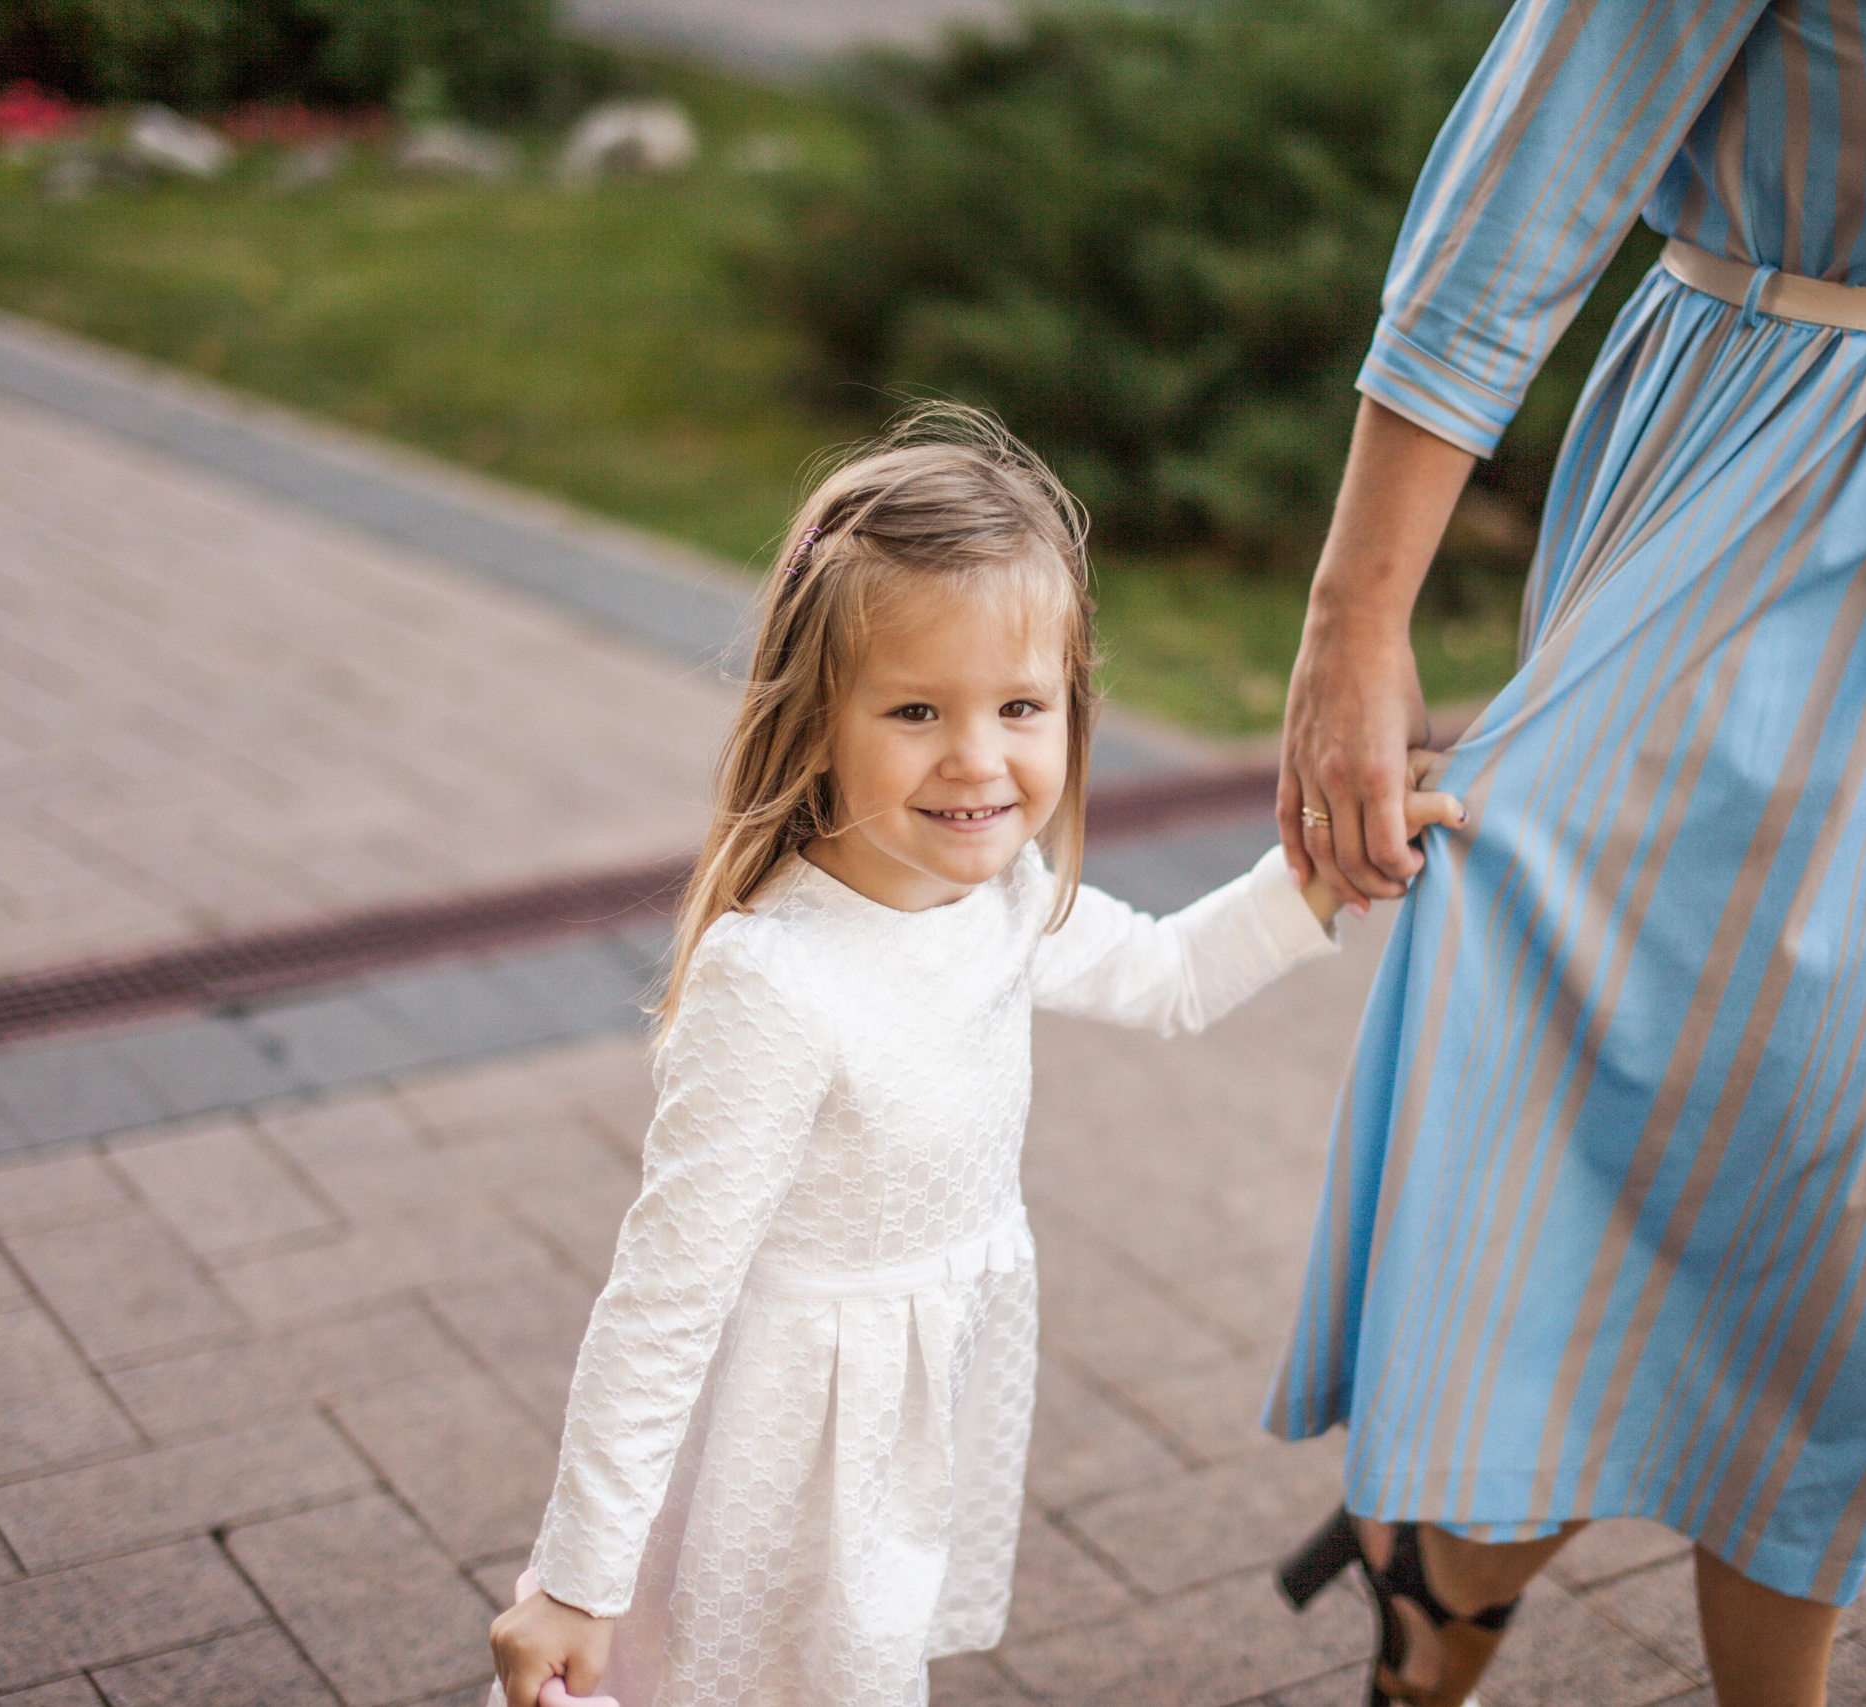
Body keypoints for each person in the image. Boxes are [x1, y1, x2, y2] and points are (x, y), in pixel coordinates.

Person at [1262, 2, 1866, 1705]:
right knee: (1843, 1231)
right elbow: (1525, 187)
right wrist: (1356, 629)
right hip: (1768, 513)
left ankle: (1448, 1574)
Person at [485, 404, 1465, 1707]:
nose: (978, 759)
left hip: (903, 1416)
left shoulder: (999, 902)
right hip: (782, 1455)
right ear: (814, 717)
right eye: (914, 710)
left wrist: (1321, 881)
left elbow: (1169, 977)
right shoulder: (776, 979)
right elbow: (664, 1299)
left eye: (1021, 705)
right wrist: (576, 1576)